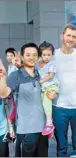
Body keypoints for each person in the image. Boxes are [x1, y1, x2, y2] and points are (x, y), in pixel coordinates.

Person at [0, 43, 56, 157]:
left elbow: (48, 91)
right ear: (22, 57)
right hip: (25, 129)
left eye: (34, 55)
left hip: (42, 128)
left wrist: (52, 94)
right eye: (28, 55)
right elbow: (3, 94)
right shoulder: (15, 76)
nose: (31, 57)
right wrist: (3, 77)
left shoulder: (41, 74)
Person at [52, 24, 76, 157]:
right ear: (62, 36)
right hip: (59, 107)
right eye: (68, 35)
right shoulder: (53, 55)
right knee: (61, 147)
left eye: (74, 37)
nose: (71, 39)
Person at [36, 41, 59, 137]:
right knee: (43, 105)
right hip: (43, 88)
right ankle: (49, 128)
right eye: (44, 55)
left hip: (51, 86)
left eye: (49, 55)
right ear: (40, 55)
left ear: (52, 55)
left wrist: (40, 81)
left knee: (46, 101)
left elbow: (51, 75)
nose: (46, 57)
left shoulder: (52, 64)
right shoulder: (38, 63)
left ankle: (49, 123)